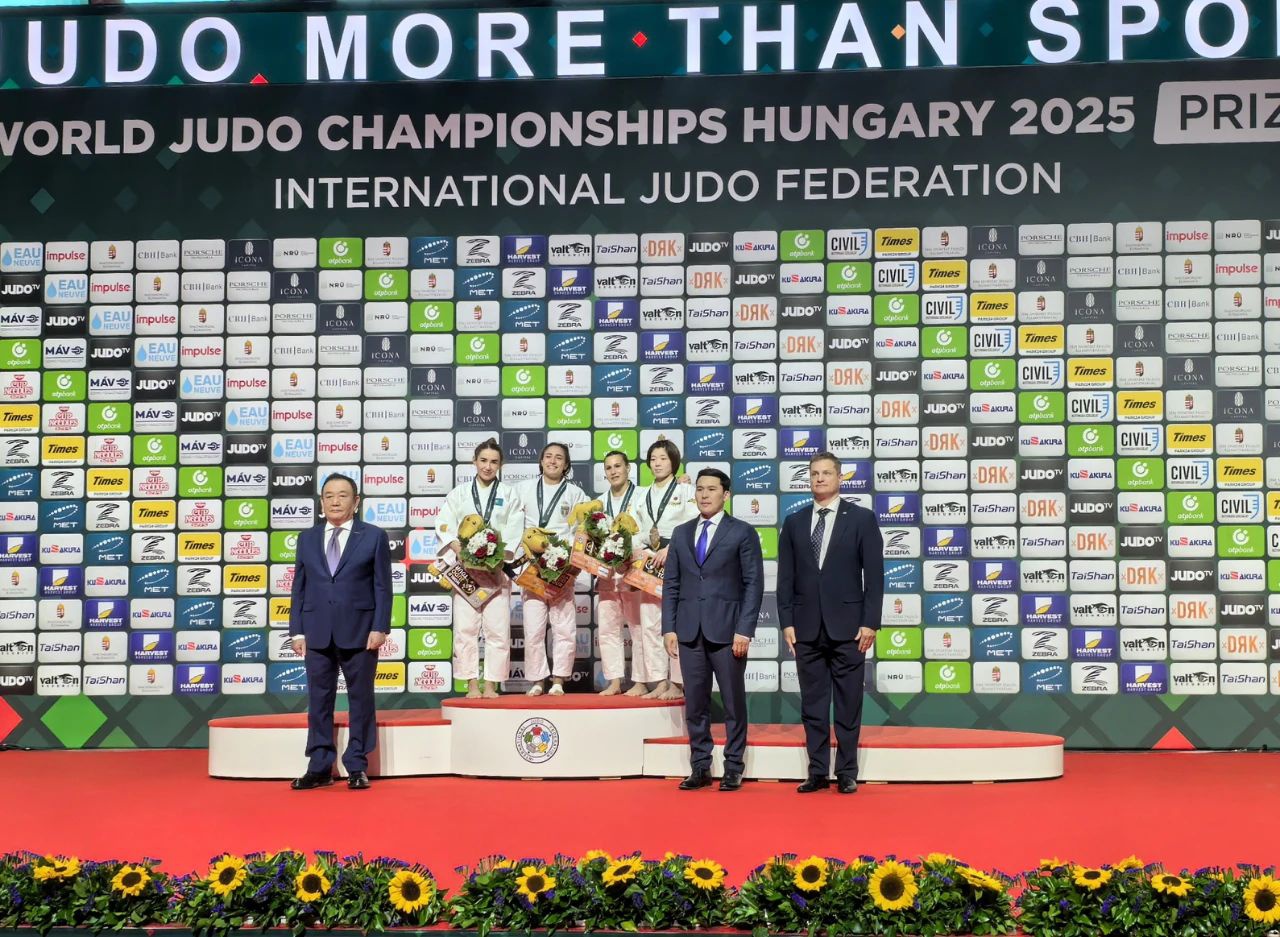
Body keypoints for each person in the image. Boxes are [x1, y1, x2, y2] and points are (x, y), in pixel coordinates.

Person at [777, 451, 885, 795]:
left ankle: (847, 771)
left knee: (849, 703)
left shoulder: (862, 519)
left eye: (826, 473)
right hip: (806, 628)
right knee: (813, 704)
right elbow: (785, 578)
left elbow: (875, 577)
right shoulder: (794, 522)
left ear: (840, 478)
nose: (819, 478)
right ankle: (817, 772)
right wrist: (786, 621)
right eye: (814, 473)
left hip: (850, 628)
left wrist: (870, 622)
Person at [662, 468, 763, 792]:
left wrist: (744, 630)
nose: (704, 495)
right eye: (700, 489)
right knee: (695, 704)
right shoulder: (681, 533)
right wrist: (669, 628)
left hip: (728, 633)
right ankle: (700, 766)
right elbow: (671, 584)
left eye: (711, 489)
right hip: (689, 631)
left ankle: (734, 766)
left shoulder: (742, 532)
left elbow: (753, 584)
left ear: (726, 494)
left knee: (733, 702)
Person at [288, 474, 392, 791]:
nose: (335, 501)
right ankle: (319, 766)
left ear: (355, 501)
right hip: (316, 631)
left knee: (361, 700)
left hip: (360, 632)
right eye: (329, 495)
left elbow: (383, 587)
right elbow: (299, 587)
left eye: (343, 495)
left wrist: (380, 627)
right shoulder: (307, 538)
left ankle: (357, 765)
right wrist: (296, 631)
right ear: (321, 502)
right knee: (319, 701)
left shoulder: (373, 536)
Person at [436, 438, 525, 699]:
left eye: (494, 462)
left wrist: (497, 557)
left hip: (496, 571)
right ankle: (472, 684)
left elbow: (515, 528)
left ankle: (491, 685)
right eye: (483, 460)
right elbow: (444, 524)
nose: (488, 466)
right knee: (465, 630)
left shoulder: (509, 494)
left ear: (501, 465)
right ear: (474, 462)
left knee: (498, 631)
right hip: (465, 571)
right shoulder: (459, 493)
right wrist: (458, 548)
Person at [514, 442, 587, 696]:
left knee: (564, 627)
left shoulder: (576, 494)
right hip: (532, 567)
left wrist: (570, 560)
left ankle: (558, 680)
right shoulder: (522, 489)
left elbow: (583, 530)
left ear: (566, 465)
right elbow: (513, 523)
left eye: (558, 458)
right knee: (533, 628)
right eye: (548, 456)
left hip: (562, 567)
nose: (552, 461)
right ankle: (537, 680)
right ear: (541, 461)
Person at [631, 439, 697, 699]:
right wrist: (639, 550)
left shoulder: (686, 489)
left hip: (676, 558)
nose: (657, 463)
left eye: (663, 458)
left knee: (677, 622)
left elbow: (694, 523)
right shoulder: (642, 495)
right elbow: (634, 528)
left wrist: (672, 548)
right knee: (649, 622)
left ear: (674, 462)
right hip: (648, 561)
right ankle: (659, 680)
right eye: (653, 459)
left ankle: (679, 683)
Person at [594, 450, 642, 696]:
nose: (613, 471)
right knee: (608, 628)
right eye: (609, 467)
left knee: (638, 627)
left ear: (628, 468)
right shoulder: (599, 503)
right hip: (607, 574)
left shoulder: (642, 496)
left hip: (633, 571)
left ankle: (641, 681)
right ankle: (614, 681)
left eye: (617, 466)